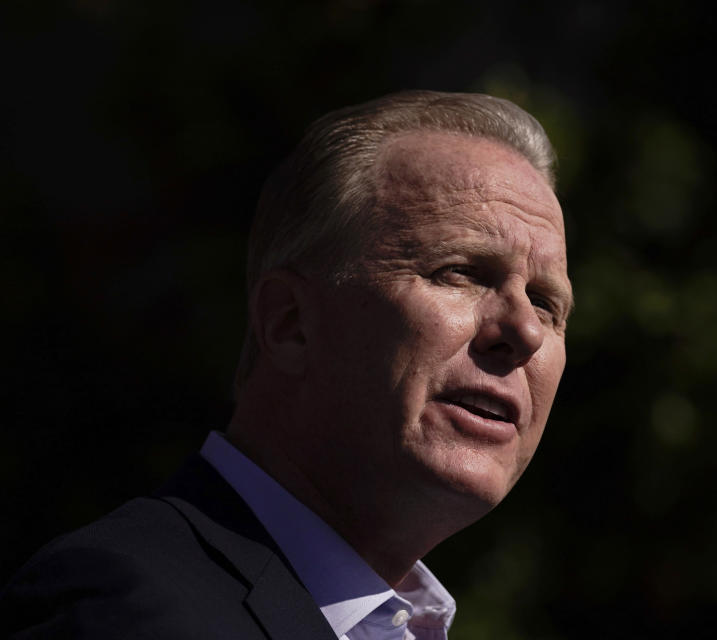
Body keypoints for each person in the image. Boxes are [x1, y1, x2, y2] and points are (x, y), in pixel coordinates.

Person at [0, 90, 573, 639]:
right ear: (289, 323)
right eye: (462, 272)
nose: (524, 331)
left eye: (548, 305)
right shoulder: (127, 608)